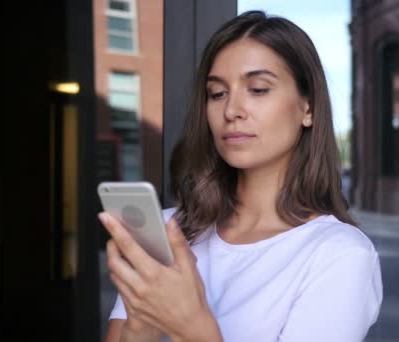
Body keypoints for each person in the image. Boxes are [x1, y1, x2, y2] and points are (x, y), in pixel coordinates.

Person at [98, 10, 383, 342]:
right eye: (217, 93)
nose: (231, 110)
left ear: (309, 108)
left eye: (258, 89)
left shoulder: (339, 255)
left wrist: (190, 324)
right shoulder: (168, 233)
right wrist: (142, 323)